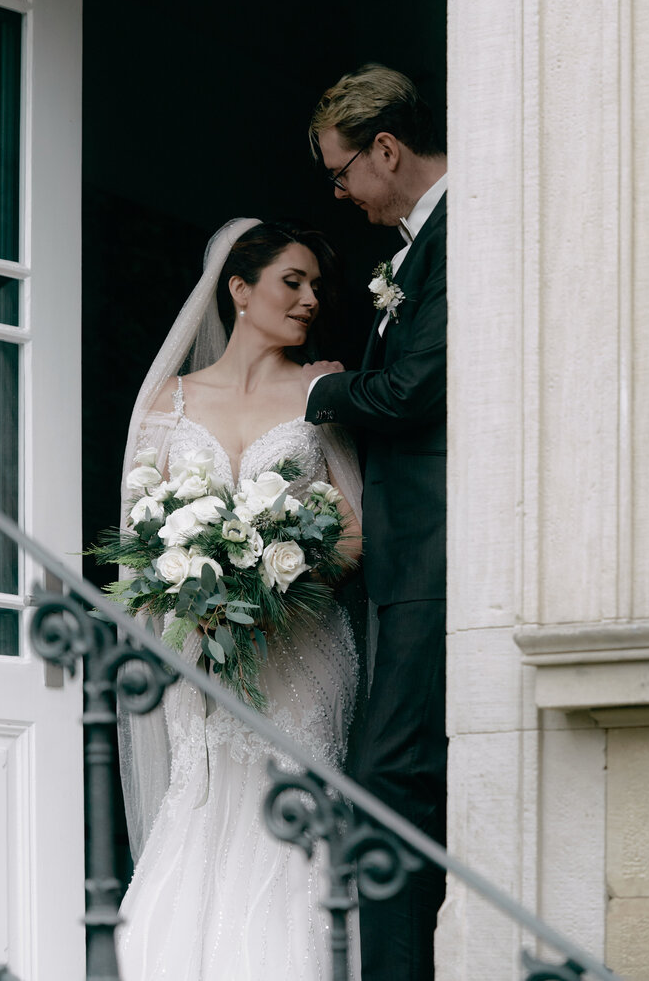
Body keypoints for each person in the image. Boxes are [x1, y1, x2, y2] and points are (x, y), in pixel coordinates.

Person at [115, 218, 365, 981]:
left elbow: (357, 534)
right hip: (202, 651)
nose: (310, 298)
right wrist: (200, 579)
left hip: (301, 651)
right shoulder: (169, 401)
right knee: (201, 809)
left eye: (316, 286)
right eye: (293, 281)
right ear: (239, 289)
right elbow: (141, 533)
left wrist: (281, 576)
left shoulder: (319, 392)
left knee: (289, 826)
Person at [302, 64, 448, 981]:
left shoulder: (459, 229)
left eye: (341, 171)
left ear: (385, 149)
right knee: (407, 779)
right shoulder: (420, 242)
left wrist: (321, 392)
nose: (341, 192)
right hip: (409, 563)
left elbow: (414, 387)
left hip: (436, 556)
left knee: (391, 781)